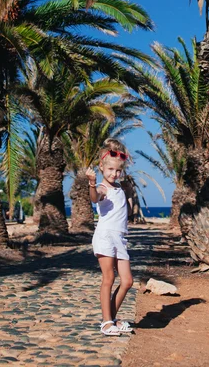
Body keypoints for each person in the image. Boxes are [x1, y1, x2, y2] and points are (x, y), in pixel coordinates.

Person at [86, 138, 134, 336]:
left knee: (128, 281)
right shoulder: (102, 188)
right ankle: (106, 322)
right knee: (109, 278)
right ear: (102, 167)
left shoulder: (120, 189)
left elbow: (128, 212)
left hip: (120, 238)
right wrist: (90, 183)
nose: (114, 174)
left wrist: (130, 193)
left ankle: (112, 318)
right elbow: (95, 197)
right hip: (105, 236)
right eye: (110, 170)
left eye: (118, 171)